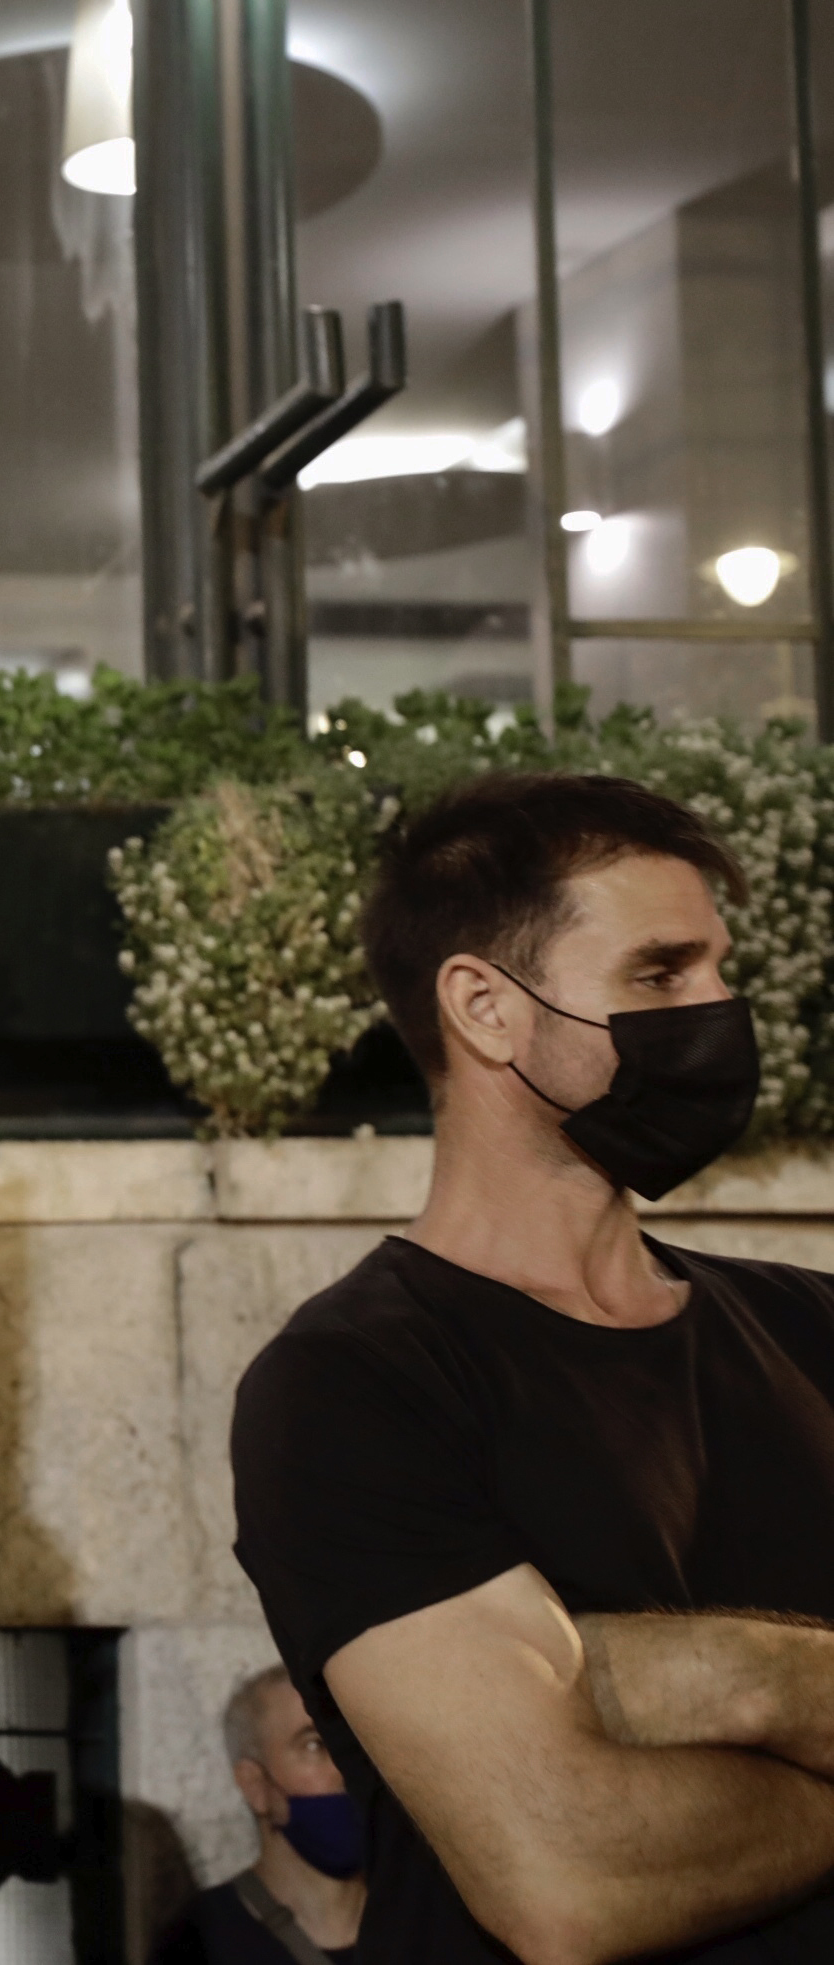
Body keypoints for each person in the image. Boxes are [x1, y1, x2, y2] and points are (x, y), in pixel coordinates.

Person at [232, 772, 834, 1963]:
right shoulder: (350, 1381)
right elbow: (562, 1877)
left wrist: (644, 1672)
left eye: (719, 969)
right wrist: (771, 1677)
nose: (720, 1009)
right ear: (484, 1009)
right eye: (658, 975)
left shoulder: (812, 1327)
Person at [150, 1666, 364, 1965]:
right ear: (256, 1785)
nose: (348, 1769)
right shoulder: (199, 1940)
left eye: (356, 1744)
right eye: (315, 1745)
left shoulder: (429, 1923)